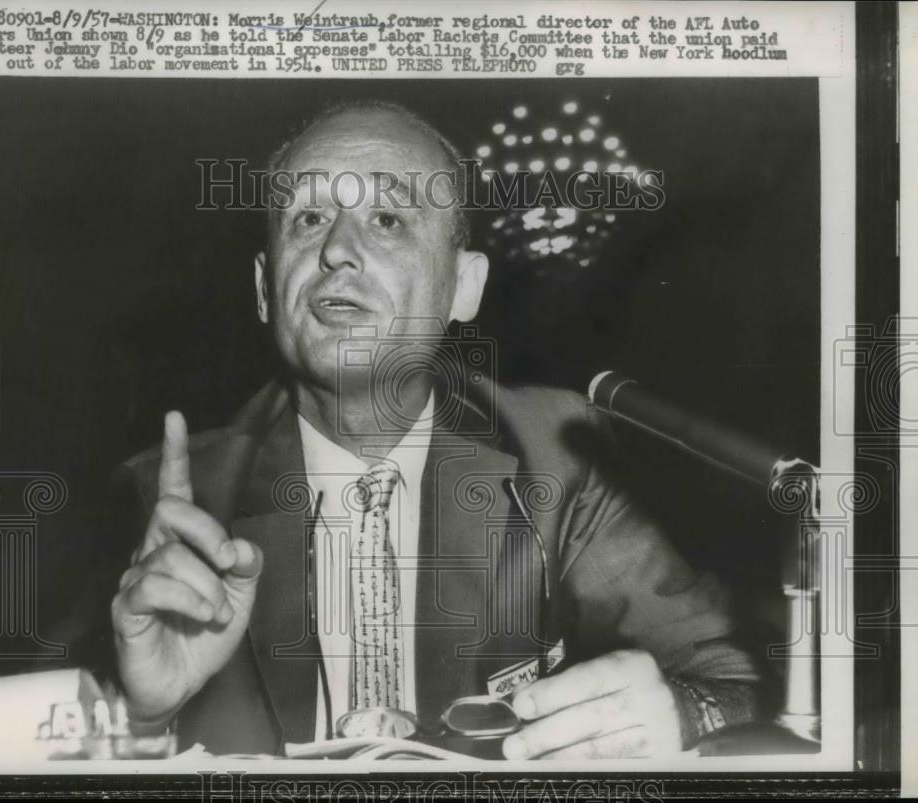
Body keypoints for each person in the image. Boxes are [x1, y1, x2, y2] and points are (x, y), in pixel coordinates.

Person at [108, 100, 761, 759]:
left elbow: (738, 677)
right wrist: (142, 722)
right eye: (308, 217)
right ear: (263, 285)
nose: (336, 249)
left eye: (388, 219)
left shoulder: (557, 451)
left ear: (463, 287)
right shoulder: (165, 505)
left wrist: (683, 710)